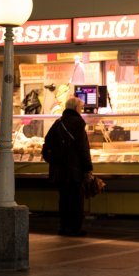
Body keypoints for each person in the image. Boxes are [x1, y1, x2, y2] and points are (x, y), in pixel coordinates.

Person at [43, 97, 93, 236]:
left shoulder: (58, 122)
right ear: (77, 108)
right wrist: (88, 167)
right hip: (74, 170)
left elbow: (47, 142)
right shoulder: (78, 123)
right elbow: (83, 148)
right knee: (76, 200)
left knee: (64, 199)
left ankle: (64, 227)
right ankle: (75, 228)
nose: (82, 110)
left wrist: (54, 160)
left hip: (59, 170)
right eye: (81, 108)